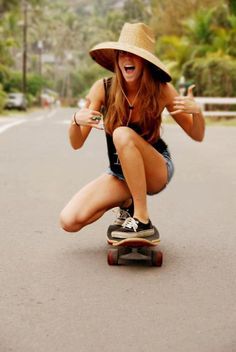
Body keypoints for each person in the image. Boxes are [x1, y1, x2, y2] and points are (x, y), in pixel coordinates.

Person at [60, 22, 205, 238]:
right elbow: (76, 143)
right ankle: (126, 201)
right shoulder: (104, 89)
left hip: (155, 170)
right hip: (119, 174)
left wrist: (197, 113)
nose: (127, 59)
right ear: (116, 59)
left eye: (134, 55)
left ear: (145, 61)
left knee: (121, 133)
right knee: (69, 220)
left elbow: (197, 134)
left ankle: (141, 219)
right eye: (122, 54)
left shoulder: (162, 90)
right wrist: (75, 120)